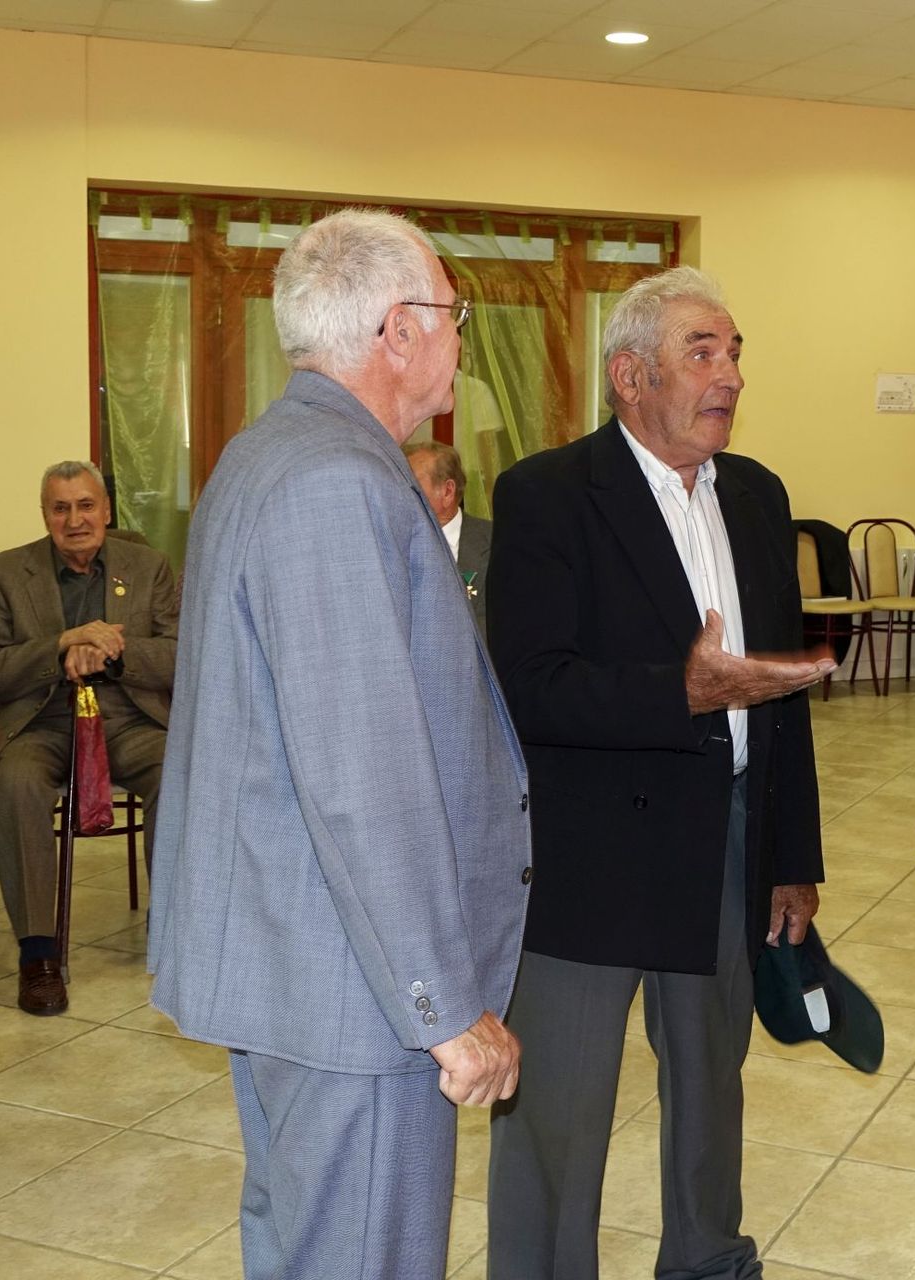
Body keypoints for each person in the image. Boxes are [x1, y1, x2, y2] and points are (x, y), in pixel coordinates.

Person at [147, 209, 531, 1280]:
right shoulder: (336, 479)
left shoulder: (274, 452)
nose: (460, 338)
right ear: (398, 329)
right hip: (353, 992)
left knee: (307, 1247)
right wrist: (441, 1007)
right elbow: (360, 778)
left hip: (302, 961)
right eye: (453, 313)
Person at [485, 266, 832, 1279]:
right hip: (591, 854)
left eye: (735, 353)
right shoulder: (547, 494)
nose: (730, 374)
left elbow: (780, 695)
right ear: (630, 376)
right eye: (702, 352)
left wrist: (791, 856)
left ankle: (708, 1259)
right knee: (559, 1109)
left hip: (726, 840)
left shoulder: (758, 495)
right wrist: (678, 691)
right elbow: (530, 686)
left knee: (711, 1084)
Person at [0, 460, 177, 1015]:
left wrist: (113, 655)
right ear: (44, 514)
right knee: (15, 782)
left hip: (127, 716)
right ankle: (39, 955)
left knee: (178, 769)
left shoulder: (149, 567)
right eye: (60, 508)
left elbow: (183, 654)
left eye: (85, 506)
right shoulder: (8, 572)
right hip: (43, 719)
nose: (74, 520)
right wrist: (61, 645)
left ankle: (175, 930)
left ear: (106, 510)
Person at [405, 439, 492, 634]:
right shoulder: (390, 544)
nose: (400, 494)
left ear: (447, 491)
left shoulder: (496, 543)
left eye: (411, 485)